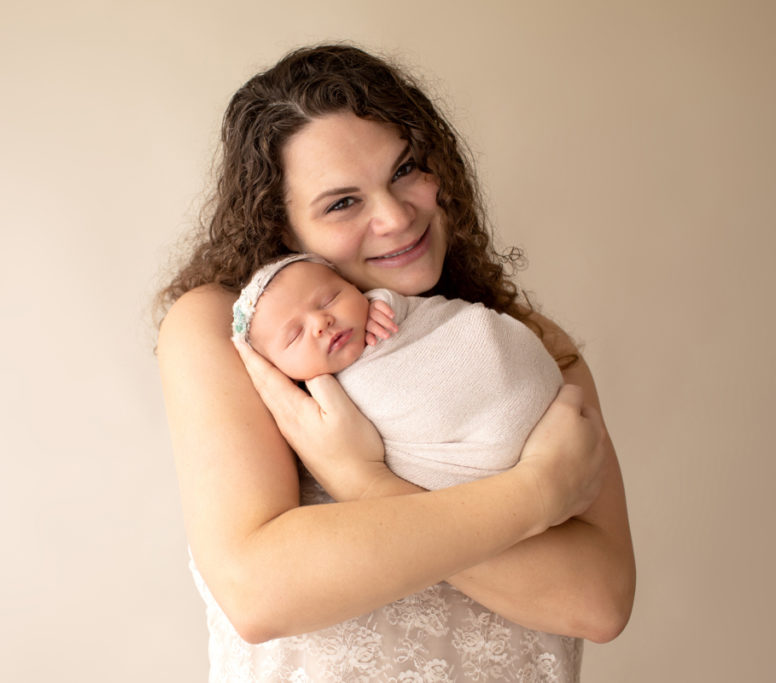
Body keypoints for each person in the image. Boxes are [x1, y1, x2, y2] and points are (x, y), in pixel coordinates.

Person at [156, 44, 634, 682]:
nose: (396, 216)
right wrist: (538, 492)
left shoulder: (520, 342)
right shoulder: (228, 332)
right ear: (283, 231)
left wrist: (365, 481)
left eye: (405, 169)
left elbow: (598, 602)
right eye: (341, 203)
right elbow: (260, 592)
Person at [234, 253, 565, 491]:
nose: (321, 323)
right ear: (278, 370)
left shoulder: (383, 313)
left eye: (330, 299)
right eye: (295, 335)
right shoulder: (317, 403)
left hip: (509, 372)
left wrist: (382, 302)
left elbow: (417, 311)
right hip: (474, 455)